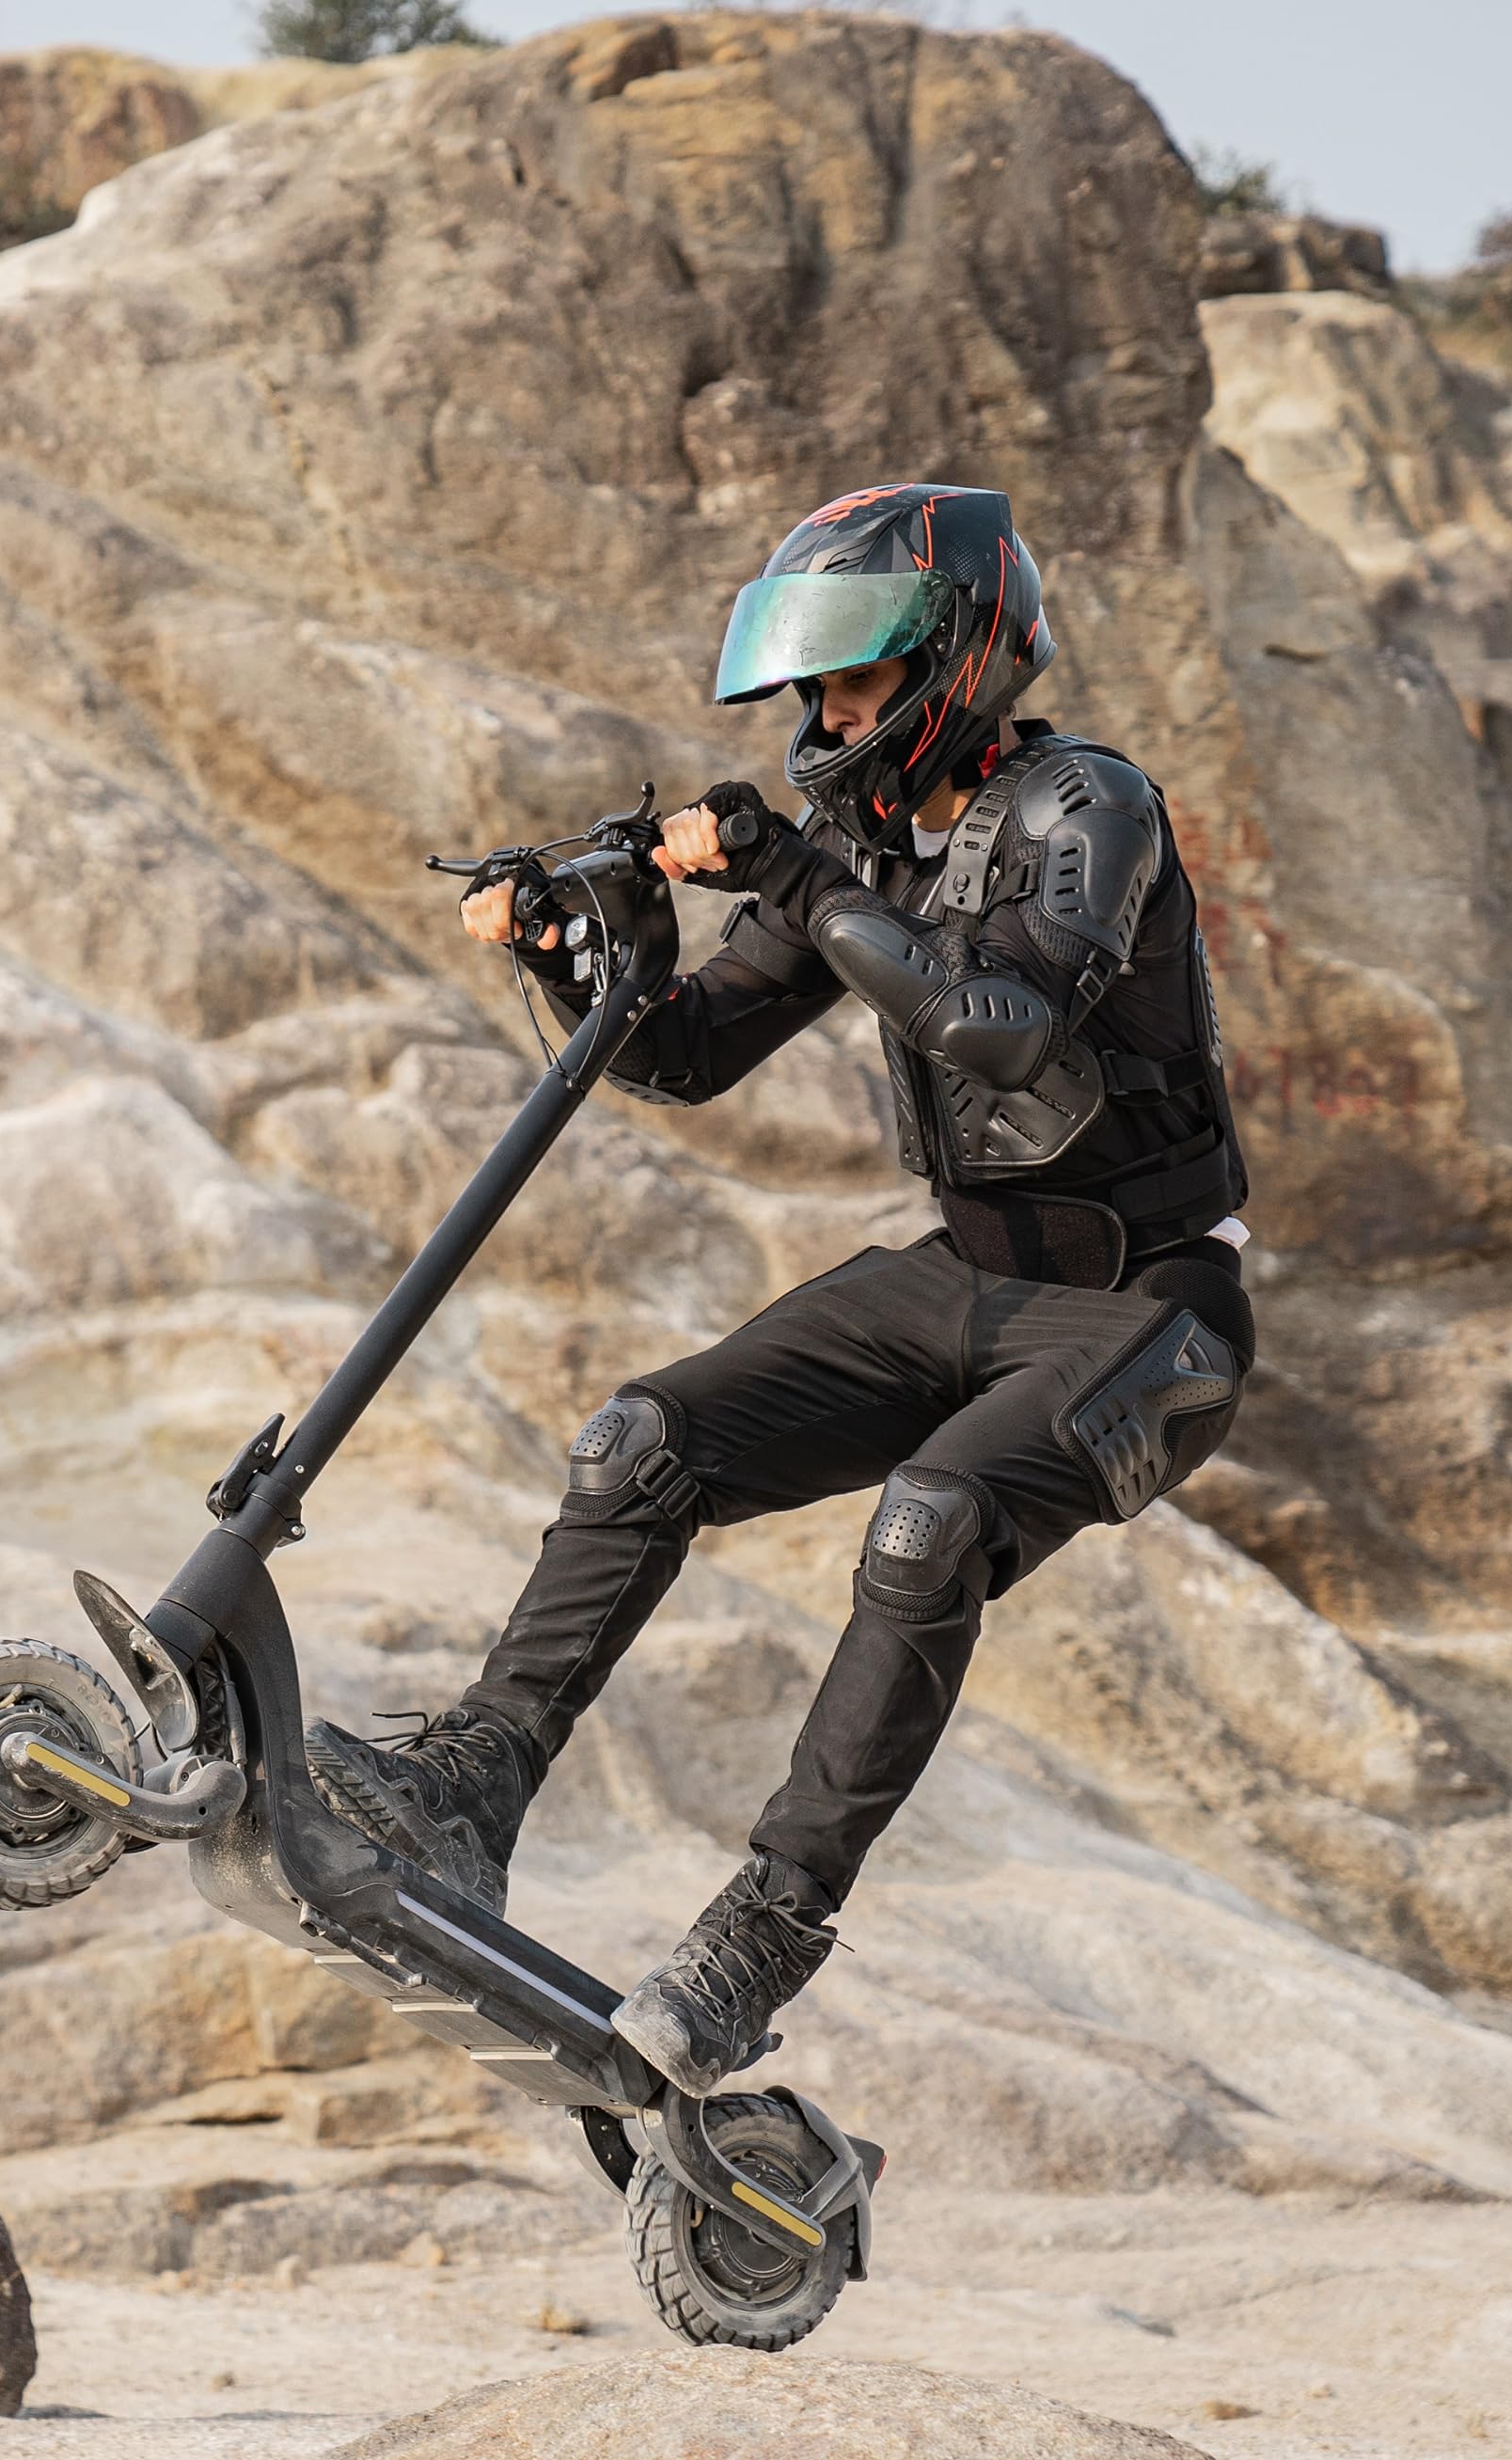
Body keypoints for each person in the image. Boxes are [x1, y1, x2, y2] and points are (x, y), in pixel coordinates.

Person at [308, 482, 1257, 2096]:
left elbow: (1007, 1026)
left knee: (931, 1522)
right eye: (812, 689)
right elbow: (685, 1053)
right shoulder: (867, 848)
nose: (822, 719)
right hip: (966, 1277)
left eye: (851, 682)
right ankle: (469, 1790)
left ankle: (765, 1933)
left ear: (953, 656)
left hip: (1149, 1316)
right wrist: (574, 947)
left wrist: (803, 877)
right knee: (639, 1442)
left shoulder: (1090, 806)